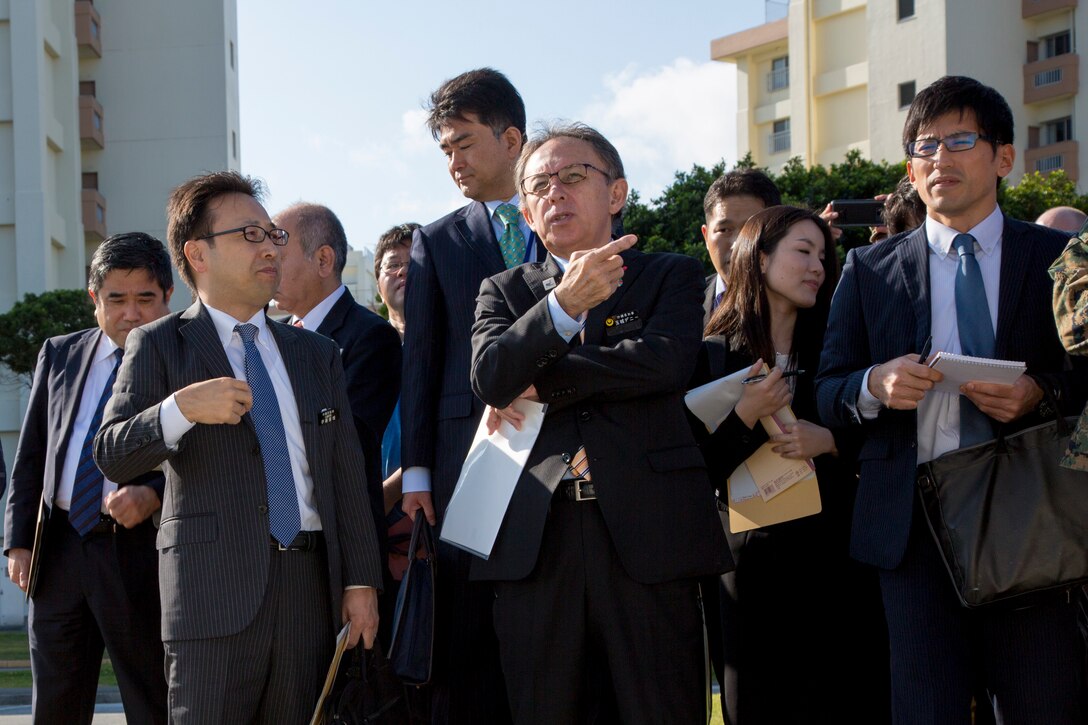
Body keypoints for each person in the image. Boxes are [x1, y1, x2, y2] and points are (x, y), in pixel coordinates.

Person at [816, 75, 1088, 723]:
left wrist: (1038, 392)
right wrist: (872, 385)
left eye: (959, 140)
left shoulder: (1059, 256)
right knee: (926, 708)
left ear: (1002, 157)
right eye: (924, 145)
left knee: (1043, 704)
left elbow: (1085, 370)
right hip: (913, 529)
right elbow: (826, 390)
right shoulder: (869, 270)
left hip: (1033, 522)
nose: (939, 159)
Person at [93, 171, 383, 723]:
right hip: (211, 593)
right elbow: (112, 452)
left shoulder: (317, 354)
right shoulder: (159, 343)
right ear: (197, 253)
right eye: (250, 235)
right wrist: (180, 410)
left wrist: (361, 581)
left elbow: (347, 473)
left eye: (272, 234)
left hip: (308, 591)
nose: (270, 247)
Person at [470, 122, 732, 723]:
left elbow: (662, 364)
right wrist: (563, 307)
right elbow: (490, 377)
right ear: (527, 214)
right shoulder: (503, 292)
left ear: (616, 194)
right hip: (537, 539)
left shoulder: (669, 274)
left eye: (573, 177)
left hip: (647, 536)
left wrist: (540, 375)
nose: (554, 193)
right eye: (539, 185)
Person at [691, 206, 889, 723]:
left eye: (823, 256)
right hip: (747, 565)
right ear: (758, 258)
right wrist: (744, 417)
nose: (818, 267)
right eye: (803, 251)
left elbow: (888, 435)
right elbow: (691, 470)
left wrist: (832, 441)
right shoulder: (708, 352)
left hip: (837, 561)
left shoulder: (838, 344)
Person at [400, 67, 535, 724]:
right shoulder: (436, 240)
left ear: (511, 138)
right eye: (444, 149)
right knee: (468, 648)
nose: (452, 161)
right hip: (464, 464)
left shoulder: (582, 218)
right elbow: (420, 361)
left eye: (463, 142)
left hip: (564, 459)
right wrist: (419, 471)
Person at [4, 232, 172, 724]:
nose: (132, 313)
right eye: (116, 299)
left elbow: (209, 457)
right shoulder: (59, 354)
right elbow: (32, 453)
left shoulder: (184, 361)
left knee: (152, 700)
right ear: (94, 299)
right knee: (56, 702)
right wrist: (18, 541)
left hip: (139, 556)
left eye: (146, 299)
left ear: (168, 297)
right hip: (57, 551)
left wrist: (155, 494)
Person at [271, 201, 402, 642]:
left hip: (341, 551)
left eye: (278, 252)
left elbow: (352, 442)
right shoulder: (268, 340)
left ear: (323, 259)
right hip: (278, 553)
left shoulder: (370, 337)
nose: (266, 263)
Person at [700, 169, 781, 323]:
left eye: (751, 229)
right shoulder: (684, 304)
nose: (737, 244)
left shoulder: (810, 301)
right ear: (705, 236)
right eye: (724, 230)